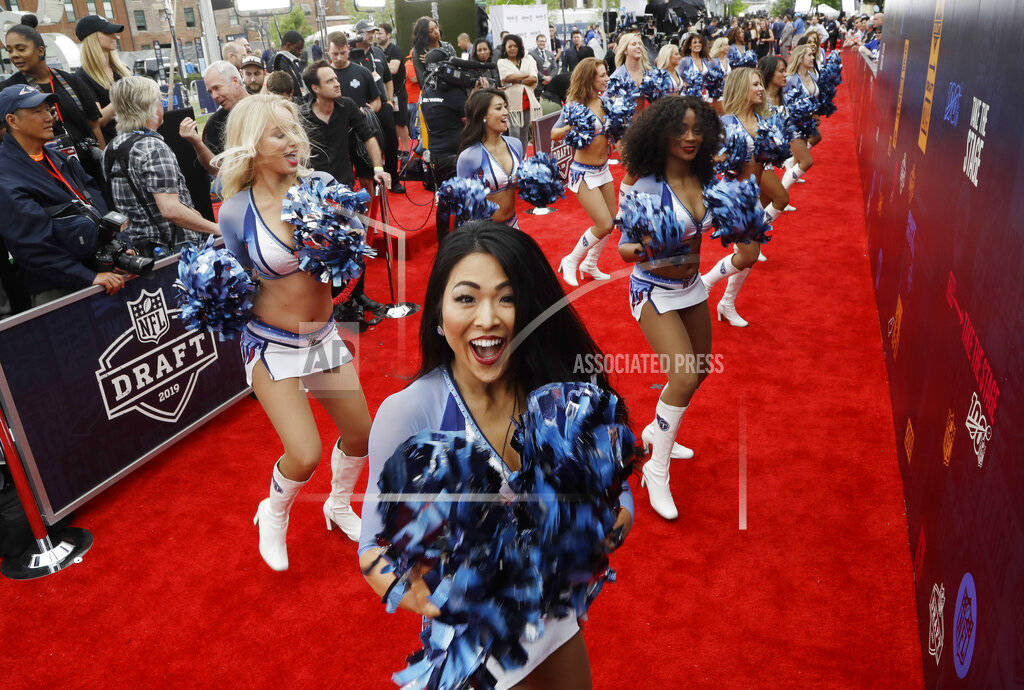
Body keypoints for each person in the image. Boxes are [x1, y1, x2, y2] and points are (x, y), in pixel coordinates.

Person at [358, 220, 634, 688]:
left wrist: (607, 528)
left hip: (556, 621)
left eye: (507, 298)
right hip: (475, 644)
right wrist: (433, 599)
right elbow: (372, 549)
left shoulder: (559, 393)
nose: (488, 318)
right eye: (466, 298)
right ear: (438, 318)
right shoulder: (408, 412)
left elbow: (617, 492)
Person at [216, 95, 374, 571]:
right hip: (271, 343)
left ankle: (339, 505)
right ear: (251, 145)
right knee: (303, 454)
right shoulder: (235, 211)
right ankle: (275, 512)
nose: (295, 142)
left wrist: (346, 239)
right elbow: (234, 282)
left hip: (322, 333)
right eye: (279, 133)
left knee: (362, 435)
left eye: (295, 131)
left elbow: (350, 257)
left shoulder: (322, 187)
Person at [618, 95, 720, 518]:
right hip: (652, 290)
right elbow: (624, 249)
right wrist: (647, 244)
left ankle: (657, 431)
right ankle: (655, 471)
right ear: (661, 135)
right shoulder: (646, 187)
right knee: (682, 375)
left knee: (697, 373)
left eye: (698, 129)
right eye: (680, 131)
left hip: (692, 287)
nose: (690, 137)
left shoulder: (707, 177)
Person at [0, 85, 125, 305]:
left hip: (99, 272)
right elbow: (31, 248)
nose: (49, 117)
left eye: (48, 110)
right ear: (12, 120)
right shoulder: (6, 175)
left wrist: (117, 246)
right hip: (58, 290)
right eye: (37, 111)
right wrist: (87, 277)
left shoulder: (59, 158)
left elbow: (95, 200)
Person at [700, 67, 781, 328]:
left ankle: (727, 303)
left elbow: (768, 161)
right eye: (755, 84)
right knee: (749, 255)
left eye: (760, 83)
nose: (760, 88)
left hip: (754, 196)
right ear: (740, 89)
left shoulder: (764, 120)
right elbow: (709, 161)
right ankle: (705, 283)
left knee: (749, 255)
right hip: (734, 198)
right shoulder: (726, 124)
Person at [105, 76, 219, 256]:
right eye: (159, 101)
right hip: (173, 251)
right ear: (149, 107)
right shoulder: (152, 147)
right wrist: (217, 229)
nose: (162, 106)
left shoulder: (112, 147)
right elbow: (170, 209)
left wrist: (188, 211)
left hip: (141, 251)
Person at [2, 23, 105, 182]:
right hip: (48, 174)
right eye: (9, 50)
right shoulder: (8, 90)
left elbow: (94, 124)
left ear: (41, 50)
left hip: (89, 169)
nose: (14, 55)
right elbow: (5, 134)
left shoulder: (72, 81)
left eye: (21, 49)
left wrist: (105, 161)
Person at [552, 58, 615, 287]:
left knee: (612, 221)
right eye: (602, 75)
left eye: (606, 73)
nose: (607, 78)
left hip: (604, 169)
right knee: (603, 224)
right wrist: (572, 125)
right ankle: (571, 260)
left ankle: (590, 263)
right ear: (590, 79)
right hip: (584, 172)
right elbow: (553, 133)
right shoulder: (575, 106)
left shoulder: (606, 102)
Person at [300, 60, 390, 191]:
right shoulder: (302, 116)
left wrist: (378, 169)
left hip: (344, 184)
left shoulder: (347, 106)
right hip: (315, 189)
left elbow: (369, 137)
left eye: (336, 79)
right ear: (315, 88)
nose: (337, 84)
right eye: (330, 81)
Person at [455, 88, 523, 230]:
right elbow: (463, 204)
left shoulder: (516, 145)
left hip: (513, 226)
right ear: (483, 115)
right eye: (499, 108)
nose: (505, 112)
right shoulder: (469, 157)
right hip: (484, 232)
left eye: (505, 106)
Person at [418, 61, 468, 243]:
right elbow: (469, 122)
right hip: (456, 154)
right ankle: (462, 242)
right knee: (464, 198)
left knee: (445, 200)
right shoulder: (454, 92)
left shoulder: (427, 90)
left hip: (436, 154)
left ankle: (444, 242)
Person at [352, 19, 403, 192]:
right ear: (358, 33)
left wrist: (389, 100)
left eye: (373, 32)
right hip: (360, 110)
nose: (372, 35)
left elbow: (388, 79)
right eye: (368, 32)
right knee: (364, 145)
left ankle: (393, 180)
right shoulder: (351, 54)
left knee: (391, 142)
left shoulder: (378, 53)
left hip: (382, 106)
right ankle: (369, 181)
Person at [179, 61, 249, 175]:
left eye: (217, 88)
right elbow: (216, 170)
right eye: (210, 92)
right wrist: (197, 143)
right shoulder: (215, 123)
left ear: (235, 81)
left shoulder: (267, 107)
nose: (214, 96)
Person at [74, 15, 130, 146]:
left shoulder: (122, 70)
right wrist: (125, 94)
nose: (114, 36)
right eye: (108, 32)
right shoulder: (82, 77)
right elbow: (98, 120)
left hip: (135, 138)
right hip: (114, 146)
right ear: (93, 38)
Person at [779, 44, 822, 190]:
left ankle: (789, 165)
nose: (812, 58)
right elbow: (781, 102)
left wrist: (814, 114)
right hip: (792, 124)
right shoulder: (790, 79)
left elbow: (813, 99)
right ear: (799, 57)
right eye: (809, 55)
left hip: (806, 123)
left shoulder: (813, 75)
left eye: (813, 55)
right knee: (806, 161)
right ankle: (781, 196)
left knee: (800, 158)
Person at [497, 34, 541, 152]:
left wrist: (517, 80)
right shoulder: (502, 62)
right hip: (512, 104)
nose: (512, 48)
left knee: (525, 133)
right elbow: (507, 77)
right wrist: (525, 75)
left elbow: (534, 78)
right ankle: (514, 159)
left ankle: (522, 159)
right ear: (505, 48)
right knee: (514, 133)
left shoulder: (528, 59)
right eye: (509, 46)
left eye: (515, 46)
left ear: (519, 47)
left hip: (527, 102)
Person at [378, 23, 410, 150]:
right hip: (384, 95)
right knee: (388, 124)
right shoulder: (377, 51)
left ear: (388, 34)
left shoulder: (394, 49)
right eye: (376, 34)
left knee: (400, 124)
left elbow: (393, 69)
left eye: (380, 33)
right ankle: (395, 150)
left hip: (398, 92)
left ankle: (406, 151)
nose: (377, 36)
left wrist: (378, 66)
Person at [411, 17, 454, 90]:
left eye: (436, 27)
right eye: (431, 31)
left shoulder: (447, 47)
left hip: (452, 88)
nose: (436, 32)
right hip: (433, 93)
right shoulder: (418, 52)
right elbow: (422, 81)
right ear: (424, 35)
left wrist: (435, 59)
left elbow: (456, 70)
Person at [272, 30, 308, 98]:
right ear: (288, 45)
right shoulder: (277, 62)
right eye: (298, 48)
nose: (300, 52)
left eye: (301, 49)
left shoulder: (291, 61)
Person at [530, 33, 558, 99]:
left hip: (550, 84)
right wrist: (543, 77)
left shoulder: (550, 54)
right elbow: (533, 68)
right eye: (540, 41)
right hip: (538, 85)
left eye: (544, 41)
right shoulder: (531, 54)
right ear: (537, 42)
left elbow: (555, 68)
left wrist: (550, 78)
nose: (542, 43)